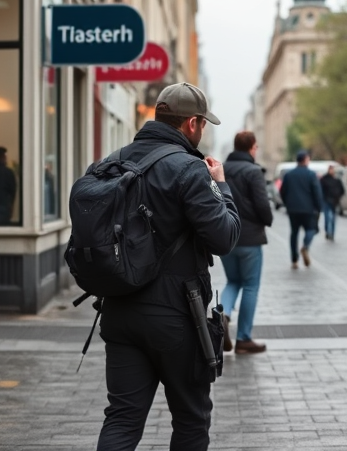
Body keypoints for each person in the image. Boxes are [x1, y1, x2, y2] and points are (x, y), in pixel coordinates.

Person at [96, 82, 241, 451]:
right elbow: (224, 238)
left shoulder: (110, 163)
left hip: (119, 309)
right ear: (191, 123)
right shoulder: (190, 169)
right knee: (191, 419)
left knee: (123, 417)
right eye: (203, 124)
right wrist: (221, 187)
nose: (203, 130)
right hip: (177, 315)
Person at [220, 131, 273, 354]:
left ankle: (222, 315)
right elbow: (262, 204)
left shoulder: (220, 169)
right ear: (251, 147)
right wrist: (267, 220)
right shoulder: (253, 171)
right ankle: (243, 339)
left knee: (233, 281)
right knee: (250, 285)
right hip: (250, 238)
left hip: (225, 237)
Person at [280, 150, 322, 269]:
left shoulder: (289, 175)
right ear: (305, 159)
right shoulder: (311, 174)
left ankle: (294, 260)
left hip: (293, 210)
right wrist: (319, 207)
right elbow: (317, 192)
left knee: (294, 233)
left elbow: (283, 191)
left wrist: (287, 204)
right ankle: (305, 246)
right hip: (308, 209)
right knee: (311, 229)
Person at [319, 164, 344, 240]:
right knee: (327, 218)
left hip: (335, 201)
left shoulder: (337, 180)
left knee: (333, 219)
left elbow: (342, 190)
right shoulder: (324, 179)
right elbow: (320, 190)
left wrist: (338, 196)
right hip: (326, 201)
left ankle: (331, 233)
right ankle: (327, 231)